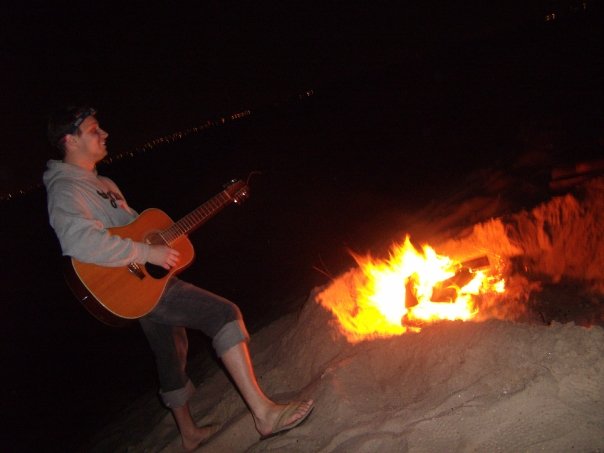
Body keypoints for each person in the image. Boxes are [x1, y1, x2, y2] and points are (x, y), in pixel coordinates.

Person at [43, 106, 314, 451]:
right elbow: (79, 242)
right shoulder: (65, 189)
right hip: (123, 280)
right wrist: (148, 254)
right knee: (224, 313)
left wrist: (173, 233)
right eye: (95, 130)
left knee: (172, 350)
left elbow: (137, 230)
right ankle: (263, 413)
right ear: (70, 140)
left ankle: (188, 433)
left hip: (139, 286)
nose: (105, 134)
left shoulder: (104, 183)